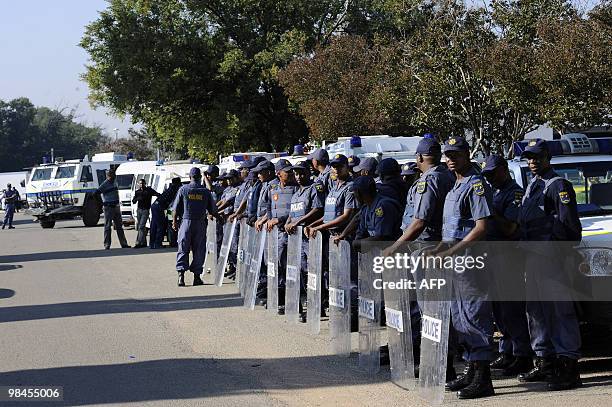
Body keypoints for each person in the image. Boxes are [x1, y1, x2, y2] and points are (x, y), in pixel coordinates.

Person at [382, 137, 455, 377]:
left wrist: (396, 246)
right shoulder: (447, 176)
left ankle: (441, 365)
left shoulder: (430, 180)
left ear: (420, 157)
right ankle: (440, 362)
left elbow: (420, 220)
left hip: (426, 249)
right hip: (435, 248)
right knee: (436, 308)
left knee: (430, 309)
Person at [517, 139, 582, 391]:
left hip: (552, 259)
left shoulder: (558, 186)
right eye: (529, 158)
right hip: (532, 259)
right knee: (537, 313)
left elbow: (569, 228)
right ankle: (545, 361)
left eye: (538, 157)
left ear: (548, 158)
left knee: (559, 312)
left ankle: (568, 366)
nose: (533, 162)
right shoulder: (534, 185)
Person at [438, 136, 495, 399]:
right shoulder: (455, 185)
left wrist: (452, 251)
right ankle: (472, 370)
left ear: (467, 155)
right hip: (454, 261)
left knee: (475, 316)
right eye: (447, 155)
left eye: (455, 155)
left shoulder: (475, 185)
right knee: (460, 317)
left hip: (470, 261)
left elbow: (481, 228)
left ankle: (483, 378)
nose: (450, 160)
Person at [481, 155, 533, 377]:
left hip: (508, 256)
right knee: (499, 310)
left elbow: (511, 228)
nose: (490, 178)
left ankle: (522, 354)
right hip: (492, 256)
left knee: (512, 308)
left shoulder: (515, 193)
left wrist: (491, 213)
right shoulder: (494, 192)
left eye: (493, 173)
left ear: (504, 170)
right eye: (487, 174)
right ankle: (507, 350)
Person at [285, 161, 325, 322]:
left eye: (302, 173)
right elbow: (292, 213)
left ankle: (317, 306)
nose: (299, 176)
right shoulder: (296, 193)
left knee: (314, 272)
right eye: (296, 174)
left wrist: (297, 222)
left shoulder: (314, 189)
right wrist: (289, 222)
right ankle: (308, 304)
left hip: (311, 236)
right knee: (302, 271)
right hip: (297, 238)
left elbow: (318, 209)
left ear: (308, 173)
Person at [172, 167, 218, 287]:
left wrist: (174, 222)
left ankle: (181, 277)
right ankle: (196, 277)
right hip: (200, 223)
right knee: (199, 250)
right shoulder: (205, 191)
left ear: (190, 177)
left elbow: (175, 208)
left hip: (186, 222)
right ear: (200, 177)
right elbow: (213, 209)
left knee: (183, 247)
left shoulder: (183, 189)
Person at [265, 159, 299, 314]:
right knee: (278, 266)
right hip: (276, 234)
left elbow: (296, 211)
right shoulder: (272, 188)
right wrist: (271, 218)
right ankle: (280, 300)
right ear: (279, 174)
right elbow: (268, 206)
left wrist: (279, 219)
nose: (291, 173)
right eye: (287, 171)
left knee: (291, 268)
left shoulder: (296, 189)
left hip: (291, 234)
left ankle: (295, 302)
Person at [96, 170, 130, 249]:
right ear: (108, 176)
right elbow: (96, 193)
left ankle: (124, 244)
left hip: (116, 206)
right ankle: (107, 245)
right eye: (112, 176)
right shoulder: (104, 184)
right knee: (107, 226)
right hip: (108, 207)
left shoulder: (115, 182)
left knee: (119, 226)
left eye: (114, 175)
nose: (113, 177)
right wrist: (101, 203)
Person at [150, 177, 182, 249]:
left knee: (154, 226)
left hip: (155, 205)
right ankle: (158, 244)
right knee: (161, 226)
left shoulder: (170, 188)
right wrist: (173, 214)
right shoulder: (174, 190)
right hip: (159, 207)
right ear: (177, 183)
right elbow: (173, 204)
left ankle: (152, 244)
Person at [131, 179, 160, 248]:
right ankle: (143, 243)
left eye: (142, 183)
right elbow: (133, 201)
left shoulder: (149, 190)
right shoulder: (137, 192)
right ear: (138, 184)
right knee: (141, 227)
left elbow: (157, 194)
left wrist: (157, 203)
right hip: (139, 210)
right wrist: (137, 198)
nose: (141, 185)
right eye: (140, 183)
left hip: (145, 210)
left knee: (141, 226)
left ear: (145, 183)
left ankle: (138, 243)